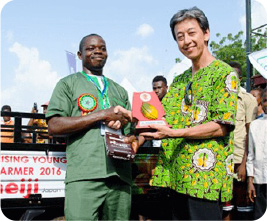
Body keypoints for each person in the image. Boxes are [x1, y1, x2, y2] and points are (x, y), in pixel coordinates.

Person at [140, 7, 239, 220]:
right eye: (180, 37)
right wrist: (127, 114)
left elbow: (220, 126)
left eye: (191, 33)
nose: (186, 41)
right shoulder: (180, 80)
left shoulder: (224, 73)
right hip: (177, 175)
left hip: (205, 178)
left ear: (206, 33)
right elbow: (160, 115)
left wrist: (173, 133)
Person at [46, 34, 138, 220]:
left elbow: (131, 133)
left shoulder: (119, 90)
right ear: (80, 55)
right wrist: (103, 114)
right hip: (84, 176)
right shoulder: (67, 84)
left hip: (119, 177)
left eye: (102, 48)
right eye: (91, 48)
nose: (97, 51)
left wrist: (133, 141)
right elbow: (54, 126)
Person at [222, 61, 257, 220]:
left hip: (239, 160)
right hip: (223, 160)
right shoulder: (220, 99)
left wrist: (244, 164)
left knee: (243, 208)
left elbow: (251, 133)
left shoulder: (247, 99)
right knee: (225, 207)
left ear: (240, 77)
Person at [247, 88, 267, 220]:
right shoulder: (255, 125)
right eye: (265, 100)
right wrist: (250, 181)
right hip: (261, 180)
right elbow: (251, 156)